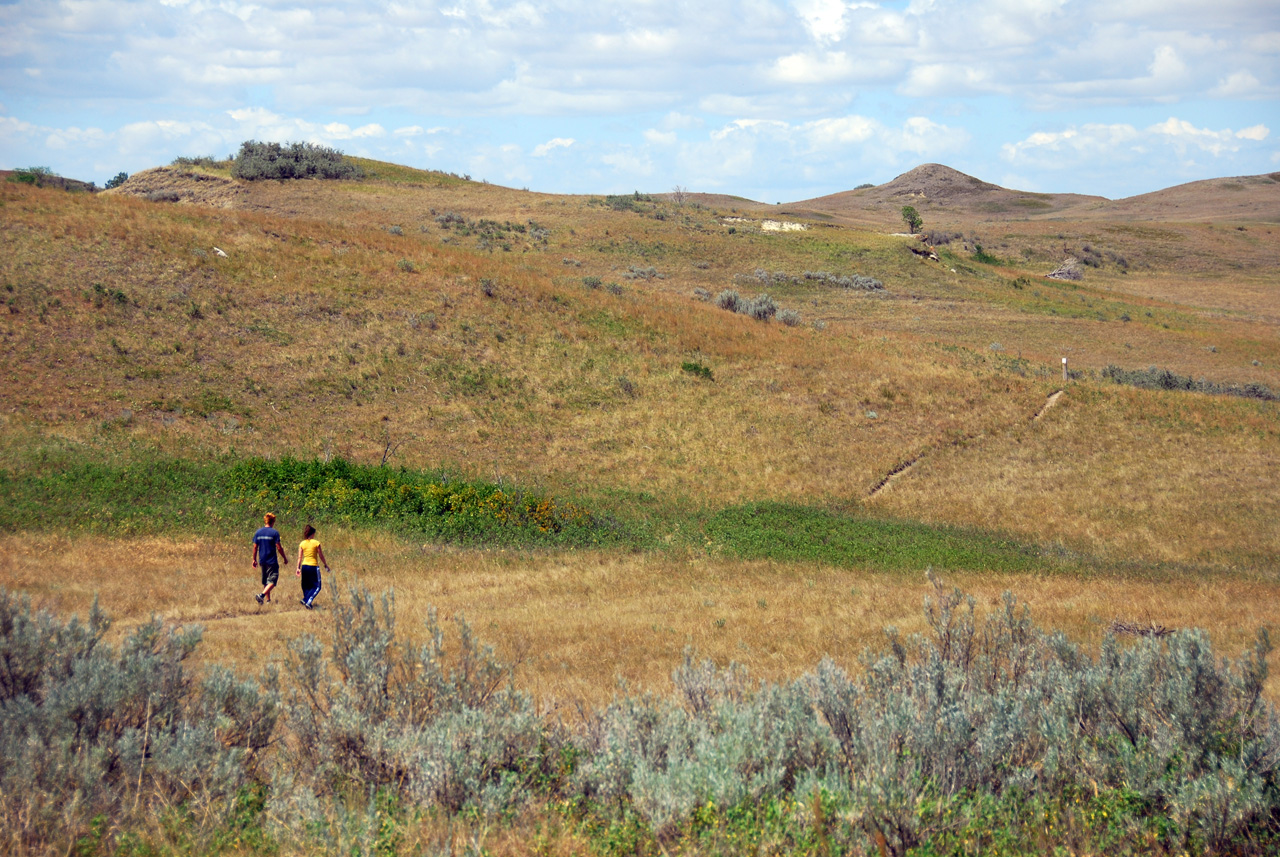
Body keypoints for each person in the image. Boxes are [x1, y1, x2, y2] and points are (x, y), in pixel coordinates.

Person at [251, 512, 288, 605]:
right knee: (273, 579)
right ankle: (262, 595)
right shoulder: (274, 533)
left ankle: (268, 601)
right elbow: (279, 547)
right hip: (271, 560)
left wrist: (254, 559)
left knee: (266, 580)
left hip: (262, 559)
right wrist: (284, 557)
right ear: (273, 521)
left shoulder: (258, 532)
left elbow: (255, 547)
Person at [295, 524, 329, 609]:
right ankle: (309, 601)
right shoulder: (316, 543)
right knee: (317, 586)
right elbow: (321, 556)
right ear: (313, 534)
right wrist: (325, 565)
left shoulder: (302, 543)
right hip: (313, 566)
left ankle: (305, 599)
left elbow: (299, 557)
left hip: (304, 566)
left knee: (306, 585)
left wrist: (298, 568)